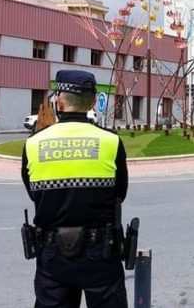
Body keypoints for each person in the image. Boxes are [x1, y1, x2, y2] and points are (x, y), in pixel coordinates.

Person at [21, 70, 129, 308]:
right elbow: (119, 193)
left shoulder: (33, 143)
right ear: (92, 102)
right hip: (101, 251)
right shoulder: (111, 141)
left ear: (59, 100)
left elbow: (33, 194)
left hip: (52, 254)